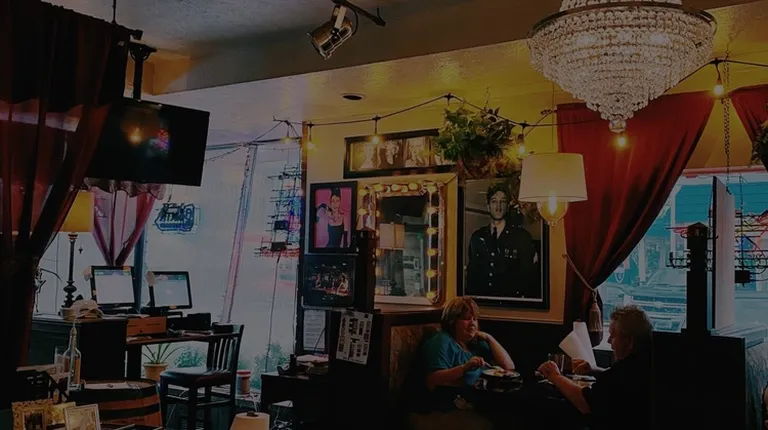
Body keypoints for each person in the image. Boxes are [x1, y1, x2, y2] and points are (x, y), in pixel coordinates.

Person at [537, 305, 653, 430]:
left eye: (613, 336)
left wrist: (555, 376)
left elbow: (587, 403)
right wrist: (594, 370)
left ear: (629, 342)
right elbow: (618, 381)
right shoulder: (649, 362)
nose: (609, 341)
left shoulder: (624, 370)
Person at [408, 297, 515, 430]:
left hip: (473, 406)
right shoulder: (442, 342)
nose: (472, 323)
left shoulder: (475, 344)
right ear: (452, 321)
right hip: (440, 410)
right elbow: (433, 380)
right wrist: (464, 368)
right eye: (466, 319)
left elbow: (509, 367)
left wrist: (489, 338)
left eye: (475, 319)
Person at [466, 183, 538, 298]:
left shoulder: (522, 237)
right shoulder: (477, 237)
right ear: (488, 206)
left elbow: (528, 278)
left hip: (510, 302)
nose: (498, 206)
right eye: (494, 201)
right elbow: (472, 275)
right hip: (482, 301)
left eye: (502, 202)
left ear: (507, 206)